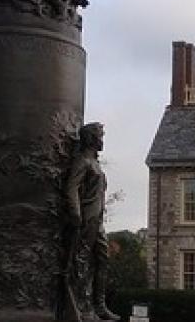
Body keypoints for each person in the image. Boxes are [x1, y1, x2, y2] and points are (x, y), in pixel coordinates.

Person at [65, 123, 119, 321]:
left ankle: (99, 306)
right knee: (81, 261)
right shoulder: (83, 162)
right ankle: (79, 304)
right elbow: (71, 187)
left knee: (102, 260)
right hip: (87, 218)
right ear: (91, 139)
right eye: (99, 136)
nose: (102, 139)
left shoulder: (95, 164)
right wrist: (76, 214)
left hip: (98, 220)